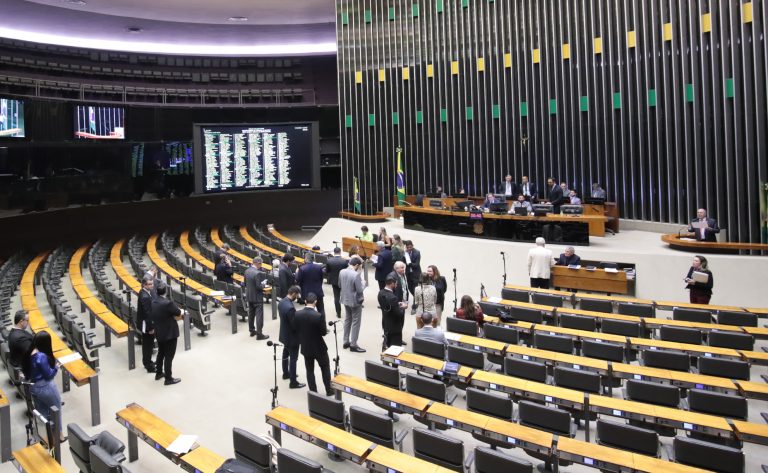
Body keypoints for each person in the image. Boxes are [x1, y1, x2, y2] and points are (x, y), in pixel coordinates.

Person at [23, 331, 64, 440]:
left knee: (43, 413)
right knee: (56, 409)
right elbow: (49, 375)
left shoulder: (30, 352)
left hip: (34, 387)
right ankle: (59, 436)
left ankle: (46, 438)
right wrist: (56, 367)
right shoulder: (41, 356)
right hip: (45, 387)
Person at [294, 292, 333, 396]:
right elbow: (323, 332)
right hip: (319, 347)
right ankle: (329, 390)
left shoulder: (297, 314)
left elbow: (296, 328)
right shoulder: (318, 316)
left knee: (310, 370)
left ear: (305, 301)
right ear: (315, 302)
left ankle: (313, 393)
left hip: (306, 347)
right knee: (325, 368)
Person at [152, 282, 182, 385]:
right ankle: (168, 379)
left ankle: (159, 373)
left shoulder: (153, 301)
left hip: (160, 332)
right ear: (166, 292)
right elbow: (178, 312)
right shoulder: (168, 303)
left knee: (161, 353)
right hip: (170, 334)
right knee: (169, 356)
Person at [278, 286, 305, 389]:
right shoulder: (290, 308)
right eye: (297, 295)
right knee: (293, 359)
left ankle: (286, 373)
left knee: (285, 354)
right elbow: (294, 325)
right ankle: (293, 382)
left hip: (284, 334)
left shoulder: (282, 302)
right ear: (293, 293)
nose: (297, 297)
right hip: (292, 337)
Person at [339, 256, 366, 353]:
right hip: (355, 301)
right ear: (357, 265)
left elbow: (339, 285)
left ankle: (345, 341)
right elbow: (359, 290)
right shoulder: (356, 275)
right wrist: (364, 284)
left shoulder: (342, 271)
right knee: (356, 322)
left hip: (345, 299)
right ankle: (353, 344)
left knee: (347, 319)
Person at [244, 256, 269, 339]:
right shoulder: (257, 273)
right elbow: (259, 287)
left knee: (251, 314)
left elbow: (245, 284)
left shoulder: (247, 271)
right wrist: (264, 284)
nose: (261, 265)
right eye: (261, 264)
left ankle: (252, 331)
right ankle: (259, 334)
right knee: (259, 316)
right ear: (258, 263)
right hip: (257, 297)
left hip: (249, 296)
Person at [379, 276, 406, 348]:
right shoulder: (393, 297)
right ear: (392, 284)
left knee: (387, 343)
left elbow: (388, 305)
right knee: (395, 348)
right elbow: (399, 314)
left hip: (385, 323)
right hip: (394, 327)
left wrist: (396, 304)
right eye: (396, 284)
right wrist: (403, 307)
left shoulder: (380, 293)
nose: (396, 286)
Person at [137, 276, 156, 373]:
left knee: (147, 345)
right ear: (144, 285)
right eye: (149, 284)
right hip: (147, 325)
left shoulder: (143, 292)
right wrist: (151, 328)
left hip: (145, 323)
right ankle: (148, 366)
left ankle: (147, 361)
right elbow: (147, 314)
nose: (152, 285)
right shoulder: (145, 296)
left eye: (152, 283)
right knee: (148, 345)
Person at [324, 247, 348, 318]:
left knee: (336, 297)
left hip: (334, 281)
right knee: (346, 296)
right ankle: (348, 312)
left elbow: (327, 271)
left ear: (334, 252)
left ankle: (338, 313)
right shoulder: (344, 261)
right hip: (343, 281)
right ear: (340, 252)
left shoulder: (329, 261)